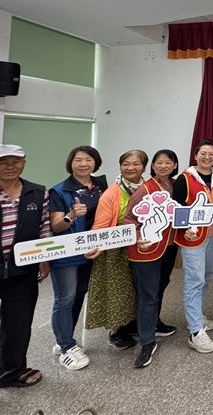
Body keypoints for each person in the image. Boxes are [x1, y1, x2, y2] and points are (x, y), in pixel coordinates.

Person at [0, 145, 50, 413]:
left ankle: (11, 372)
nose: (10, 166)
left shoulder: (37, 192)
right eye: (2, 162)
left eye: (16, 161)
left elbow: (44, 227)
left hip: (22, 273)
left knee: (18, 328)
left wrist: (44, 258)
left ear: (24, 163)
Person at [49, 145, 107, 371]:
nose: (84, 164)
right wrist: (71, 215)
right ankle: (65, 347)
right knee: (65, 297)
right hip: (67, 251)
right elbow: (56, 226)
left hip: (92, 249)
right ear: (70, 163)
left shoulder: (100, 185)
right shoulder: (59, 190)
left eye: (89, 159)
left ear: (96, 162)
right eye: (78, 160)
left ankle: (65, 339)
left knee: (79, 294)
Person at [85, 150, 148, 351]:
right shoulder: (112, 192)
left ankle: (133, 325)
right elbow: (100, 224)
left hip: (141, 245)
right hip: (115, 248)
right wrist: (94, 245)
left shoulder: (148, 187)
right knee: (118, 291)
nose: (130, 168)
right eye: (126, 164)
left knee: (136, 288)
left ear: (144, 167)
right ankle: (116, 332)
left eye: (136, 164)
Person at [124, 149, 181, 369]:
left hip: (169, 246)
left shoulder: (176, 185)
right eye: (159, 162)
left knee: (161, 285)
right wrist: (138, 237)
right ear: (153, 166)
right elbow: (129, 218)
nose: (163, 166)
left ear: (174, 165)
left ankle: (154, 323)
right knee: (148, 293)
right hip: (145, 248)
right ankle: (147, 341)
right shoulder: (145, 189)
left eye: (168, 162)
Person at [172, 139, 213, 354]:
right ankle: (195, 332)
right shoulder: (184, 178)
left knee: (206, 277)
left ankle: (196, 317)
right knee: (194, 281)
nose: (207, 157)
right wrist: (184, 229)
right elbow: (176, 208)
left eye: (211, 154)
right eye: (203, 153)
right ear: (195, 156)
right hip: (192, 238)